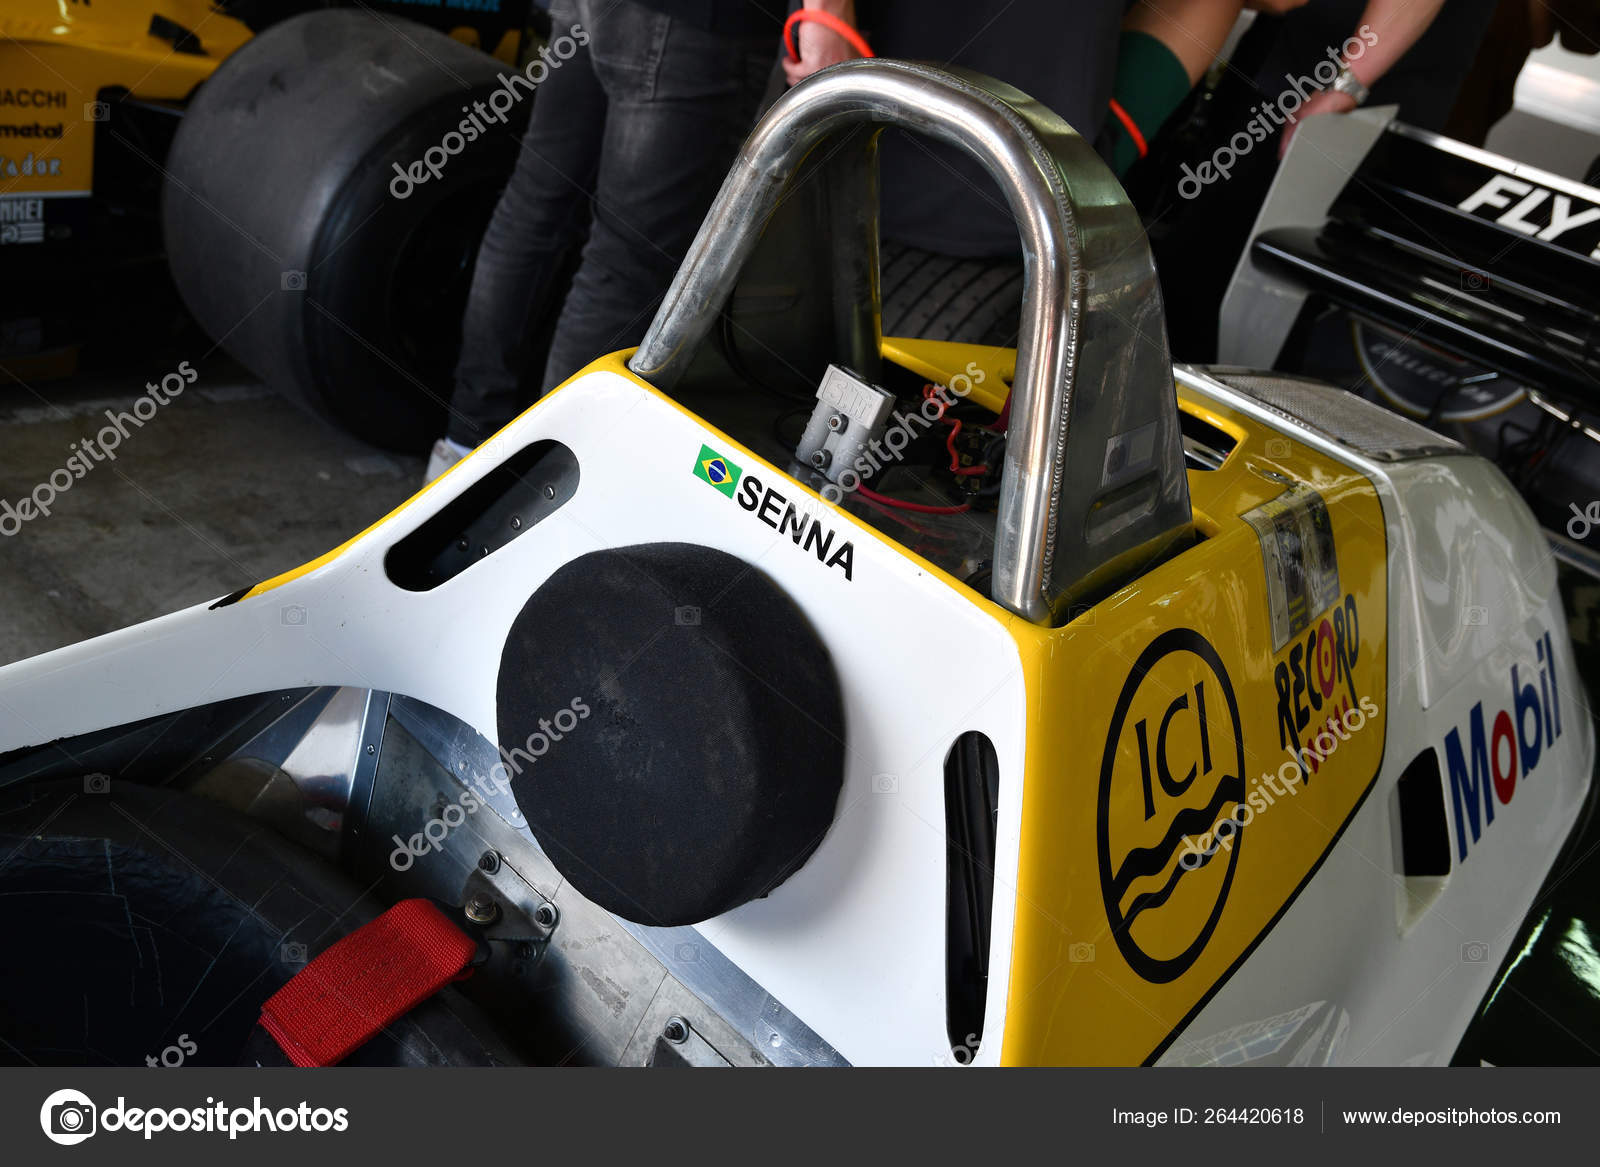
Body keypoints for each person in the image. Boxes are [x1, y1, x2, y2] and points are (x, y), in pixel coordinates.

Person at [427, 0, 787, 482]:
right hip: (696, 23)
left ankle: (463, 453)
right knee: (623, 263)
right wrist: (827, 15)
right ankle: (549, 488)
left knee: (535, 211)